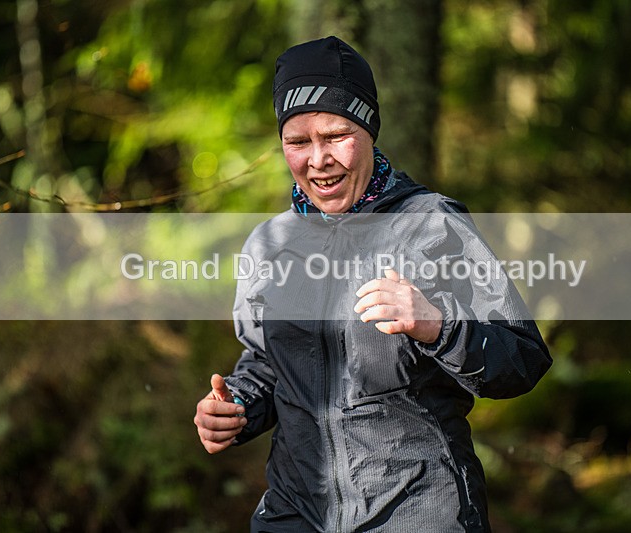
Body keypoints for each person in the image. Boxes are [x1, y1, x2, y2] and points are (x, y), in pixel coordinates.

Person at [194, 36, 552, 532]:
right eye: (298, 142)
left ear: (368, 131)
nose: (318, 159)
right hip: (296, 513)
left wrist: (438, 326)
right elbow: (269, 365)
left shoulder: (431, 225)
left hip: (419, 510)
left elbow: (523, 358)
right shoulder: (270, 245)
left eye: (336, 135)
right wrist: (236, 407)